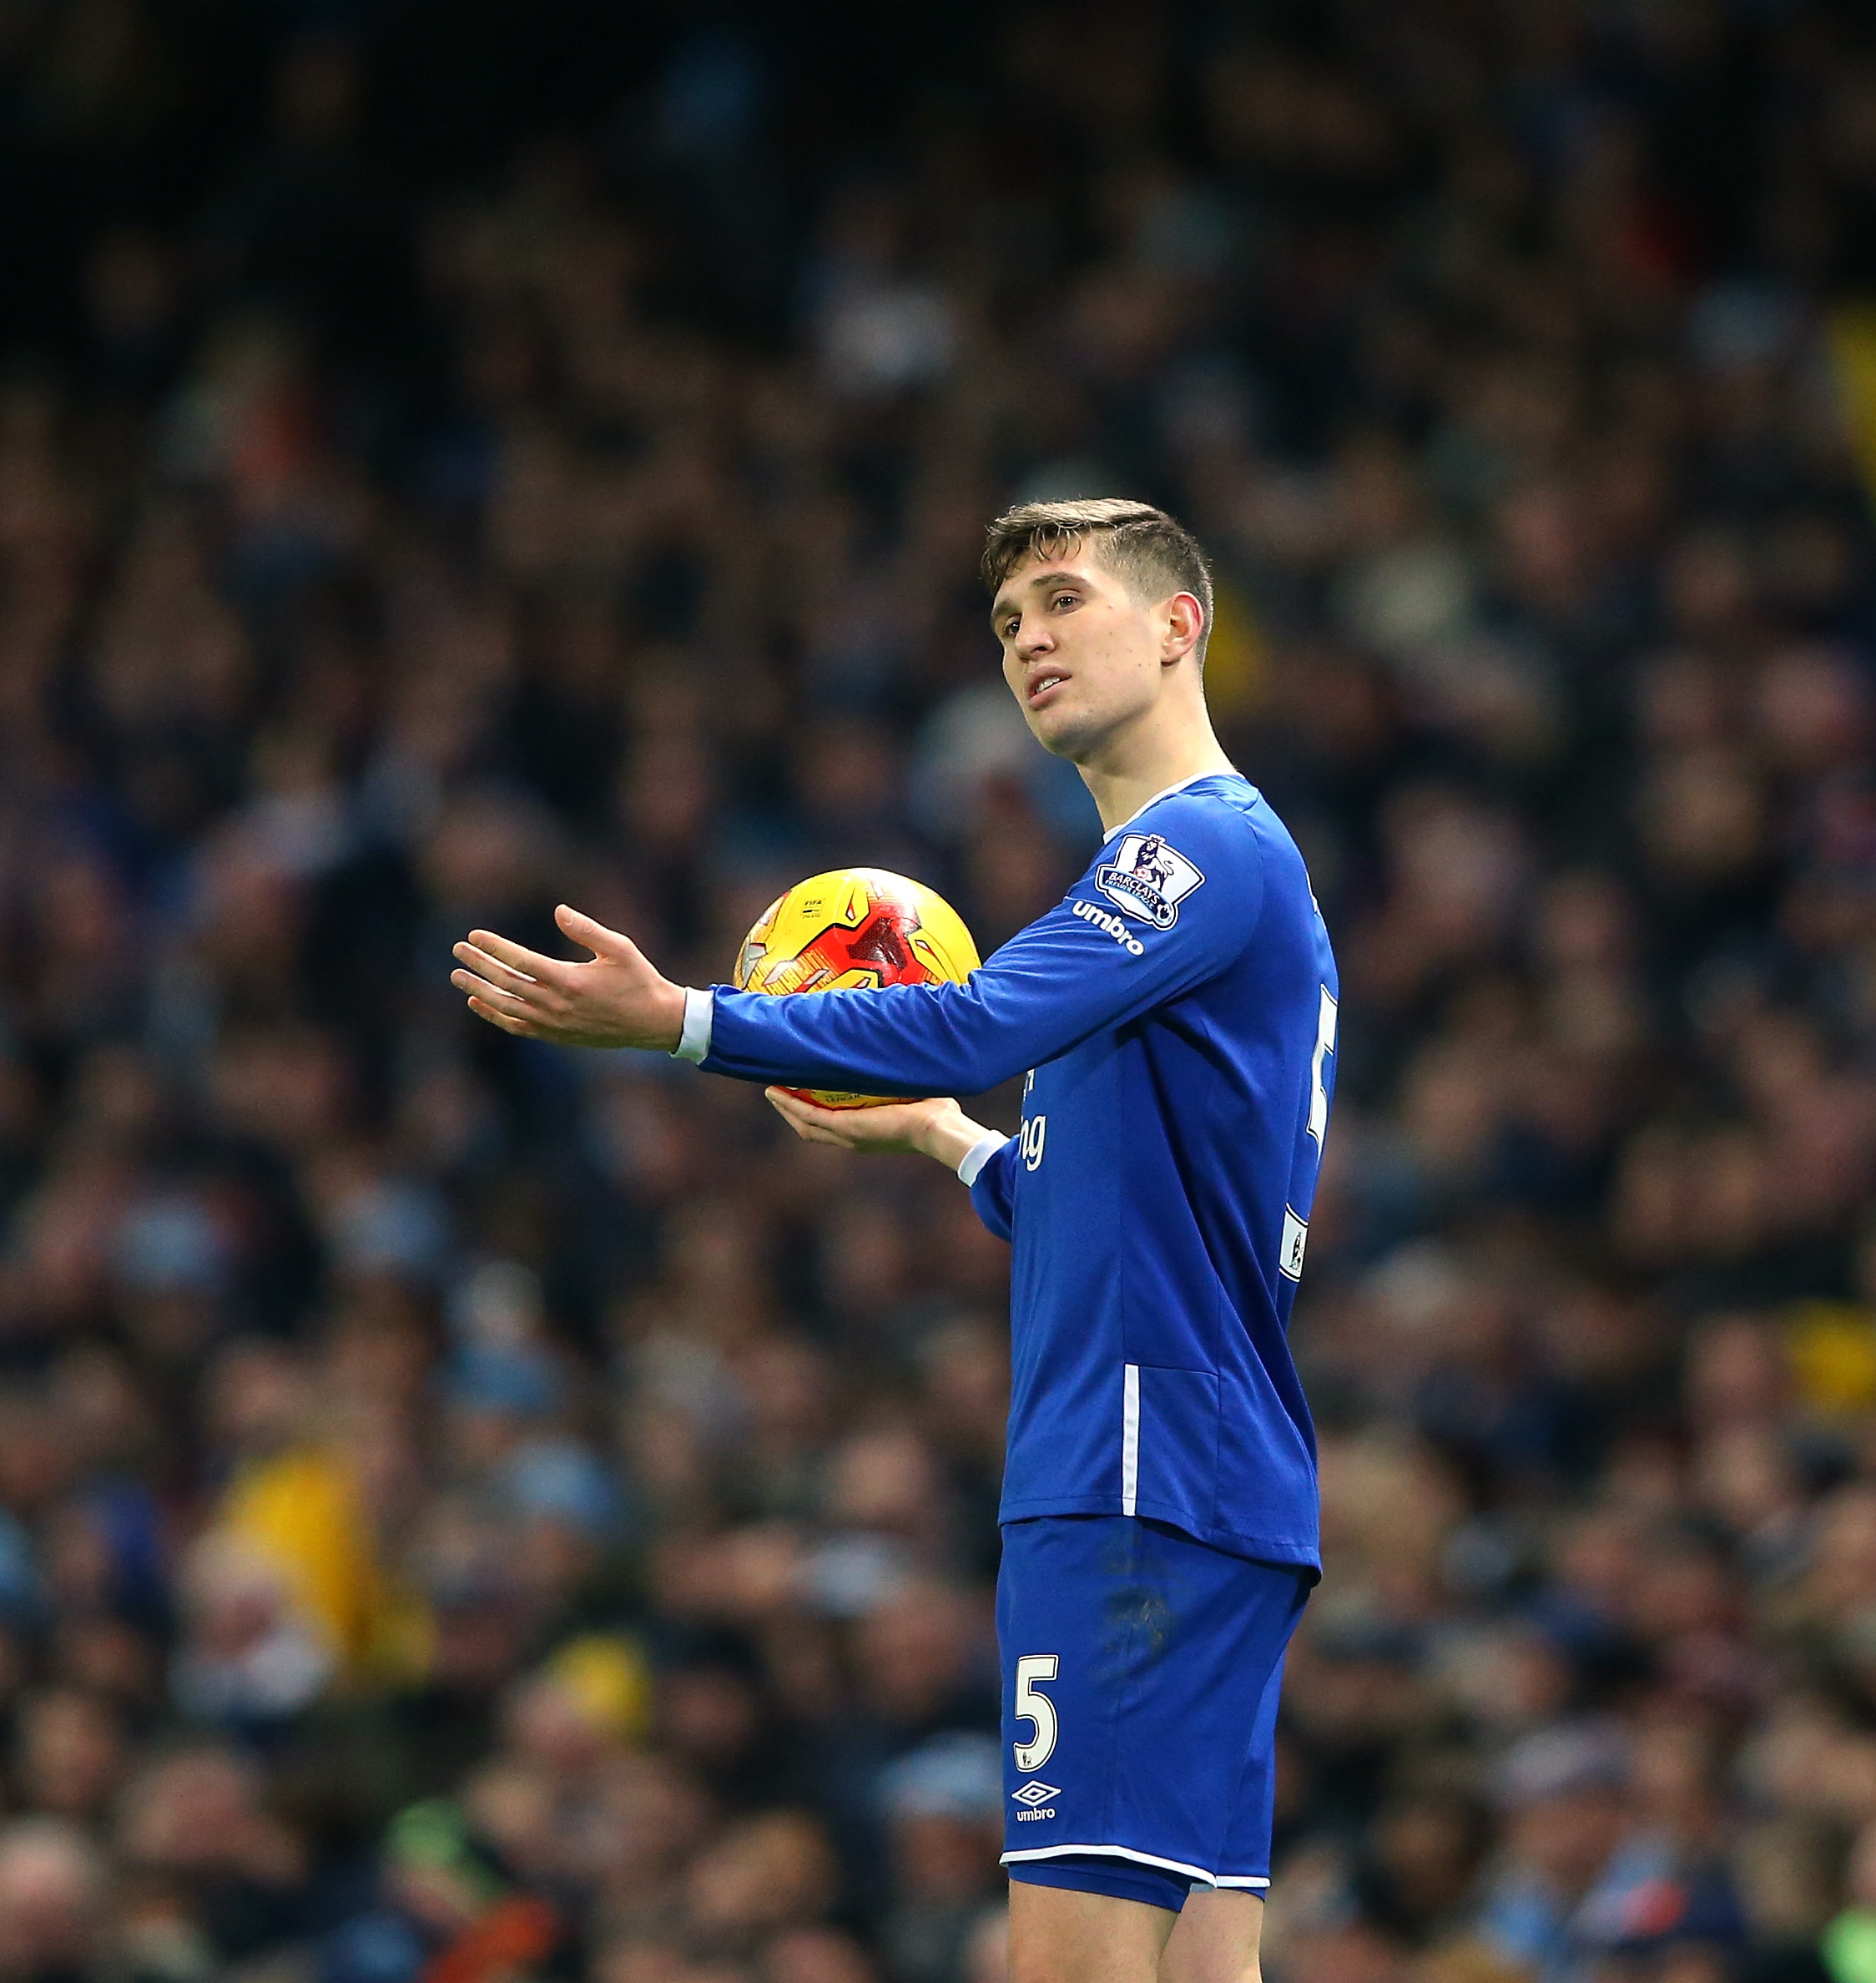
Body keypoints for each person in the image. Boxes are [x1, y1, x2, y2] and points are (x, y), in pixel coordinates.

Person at [450, 498, 1339, 1983]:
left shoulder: (1194, 853)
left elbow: (979, 1017)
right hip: (1214, 1476)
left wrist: (678, 1021)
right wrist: (944, 1137)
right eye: (1006, 626)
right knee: (1202, 1971)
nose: (1031, 641)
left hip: (1127, 1479)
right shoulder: (1221, 882)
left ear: (1182, 624)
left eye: (1064, 602)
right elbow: (1131, 1204)